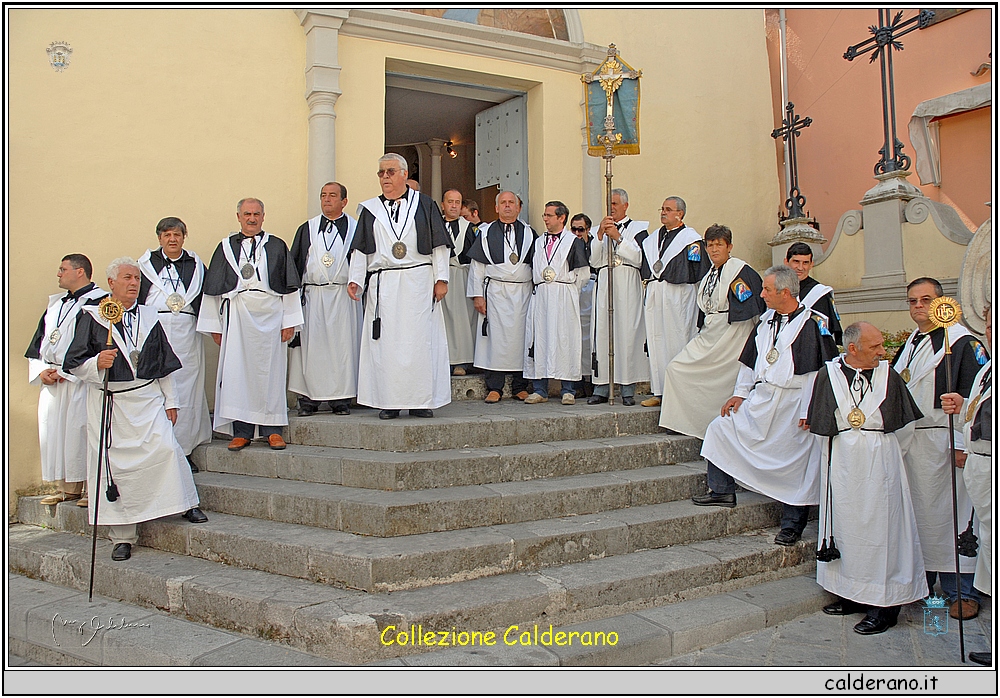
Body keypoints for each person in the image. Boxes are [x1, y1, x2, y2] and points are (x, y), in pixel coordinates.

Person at [63, 257, 207, 562]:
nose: (133, 283)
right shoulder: (92, 317)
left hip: (147, 398)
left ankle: (183, 502)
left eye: (138, 279)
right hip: (112, 403)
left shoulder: (149, 316)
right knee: (115, 468)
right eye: (128, 278)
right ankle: (123, 536)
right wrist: (95, 364)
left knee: (167, 448)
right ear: (111, 283)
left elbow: (164, 363)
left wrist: (171, 401)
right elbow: (74, 362)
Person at [694, 265, 838, 547]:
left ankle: (792, 524)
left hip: (795, 403)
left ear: (785, 292)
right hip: (763, 398)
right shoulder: (766, 321)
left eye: (767, 290)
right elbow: (751, 362)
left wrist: (810, 409)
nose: (762, 295)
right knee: (721, 427)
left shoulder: (813, 323)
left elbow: (819, 372)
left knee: (798, 463)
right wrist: (740, 394)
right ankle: (722, 490)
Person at [807, 321, 925, 635]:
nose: (882, 352)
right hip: (843, 463)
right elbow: (822, 427)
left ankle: (885, 606)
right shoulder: (827, 376)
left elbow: (905, 430)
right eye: (875, 347)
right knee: (847, 528)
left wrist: (882, 455)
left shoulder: (890, 376)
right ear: (853, 348)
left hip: (881, 462)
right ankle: (853, 593)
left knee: (882, 531)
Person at [892, 277, 986, 620]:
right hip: (917, 442)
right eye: (913, 301)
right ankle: (927, 583)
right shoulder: (913, 342)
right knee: (923, 517)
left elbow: (976, 399)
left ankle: (964, 589)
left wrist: (961, 443)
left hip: (947, 440)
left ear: (941, 303)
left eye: (925, 300)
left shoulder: (962, 344)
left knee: (954, 516)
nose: (918, 306)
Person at [347, 153, 452, 419]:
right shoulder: (370, 210)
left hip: (418, 281)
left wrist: (441, 279)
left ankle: (419, 401)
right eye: (381, 173)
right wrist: (355, 279)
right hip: (385, 283)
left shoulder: (425, 204)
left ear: (405, 174)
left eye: (391, 172)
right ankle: (389, 400)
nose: (385, 178)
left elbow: (439, 244)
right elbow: (361, 249)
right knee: (387, 344)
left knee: (419, 342)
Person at [198, 198, 302, 450]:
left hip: (271, 316)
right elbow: (213, 289)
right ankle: (241, 431)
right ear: (238, 217)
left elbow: (288, 287)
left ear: (264, 216)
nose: (252, 218)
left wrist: (289, 321)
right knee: (238, 374)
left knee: (270, 374)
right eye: (247, 214)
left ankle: (272, 430)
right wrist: (215, 326)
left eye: (256, 214)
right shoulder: (225, 247)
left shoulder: (277, 246)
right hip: (238, 315)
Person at [658, 224, 765, 438]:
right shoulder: (709, 275)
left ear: (729, 246)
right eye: (710, 245)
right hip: (710, 332)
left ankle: (712, 422)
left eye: (719, 245)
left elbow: (754, 308)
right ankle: (681, 421)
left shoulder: (740, 271)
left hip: (733, 334)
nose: (714, 249)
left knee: (721, 380)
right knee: (676, 368)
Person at [25, 254, 106, 507]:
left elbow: (99, 343)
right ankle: (67, 488)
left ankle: (89, 489)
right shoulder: (55, 304)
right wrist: (41, 370)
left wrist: (69, 370)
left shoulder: (100, 303)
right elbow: (39, 341)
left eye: (63, 269)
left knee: (80, 431)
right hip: (53, 380)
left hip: (79, 379)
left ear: (80, 271)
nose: (58, 274)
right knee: (56, 432)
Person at [137, 217, 211, 471]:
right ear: (159, 238)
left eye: (177, 234)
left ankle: (184, 449)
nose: (172, 239)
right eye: (167, 234)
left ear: (184, 237)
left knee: (186, 389)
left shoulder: (196, 265)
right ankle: (160, 449)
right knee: (158, 391)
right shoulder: (145, 266)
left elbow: (206, 298)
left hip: (186, 334)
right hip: (154, 332)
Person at [942, 303, 992, 665]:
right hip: (981, 465)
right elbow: (978, 411)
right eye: (989, 323)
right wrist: (962, 404)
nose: (989, 330)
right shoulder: (988, 368)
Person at [288, 182, 362, 417]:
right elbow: (296, 265)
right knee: (312, 347)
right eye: (323, 195)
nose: (327, 199)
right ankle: (309, 398)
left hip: (344, 296)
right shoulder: (307, 229)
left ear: (344, 201)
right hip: (314, 296)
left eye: (332, 195)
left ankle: (341, 398)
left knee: (343, 346)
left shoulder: (356, 228)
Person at [635, 196, 710, 407]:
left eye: (668, 209)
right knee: (656, 341)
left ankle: (678, 391)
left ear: (680, 214)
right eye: (662, 209)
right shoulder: (653, 239)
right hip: (656, 292)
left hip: (679, 295)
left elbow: (699, 272)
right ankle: (659, 391)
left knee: (676, 340)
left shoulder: (690, 240)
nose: (663, 212)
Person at [467, 191, 536, 403]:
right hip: (495, 294)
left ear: (519, 208)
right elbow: (477, 267)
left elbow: (537, 265)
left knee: (522, 339)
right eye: (503, 203)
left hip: (523, 293)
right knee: (494, 341)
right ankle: (494, 387)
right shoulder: (486, 233)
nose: (507, 206)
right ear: (496, 208)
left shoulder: (530, 233)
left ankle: (519, 386)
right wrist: (477, 296)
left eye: (511, 203)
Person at [522, 201, 590, 405]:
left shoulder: (573, 241)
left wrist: (566, 291)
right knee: (539, 338)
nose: (545, 218)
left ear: (561, 218)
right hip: (542, 294)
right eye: (544, 215)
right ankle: (539, 389)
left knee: (565, 338)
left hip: (563, 294)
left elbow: (583, 274)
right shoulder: (538, 241)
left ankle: (568, 389)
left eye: (549, 215)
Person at [587, 189, 649, 406]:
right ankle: (602, 386)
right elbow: (593, 261)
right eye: (608, 203)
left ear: (625, 205)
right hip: (605, 281)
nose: (611, 207)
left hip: (627, 282)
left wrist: (619, 238)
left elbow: (641, 258)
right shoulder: (597, 229)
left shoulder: (640, 229)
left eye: (615, 203)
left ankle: (627, 387)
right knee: (603, 332)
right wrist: (601, 236)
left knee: (627, 333)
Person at [439, 188, 478, 376]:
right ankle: (442, 359)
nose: (453, 206)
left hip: (461, 276)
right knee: (442, 320)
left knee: (462, 319)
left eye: (457, 202)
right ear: (442, 204)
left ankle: (461, 361)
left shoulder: (468, 228)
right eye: (450, 202)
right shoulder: (435, 226)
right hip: (440, 277)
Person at [785, 242, 843, 345]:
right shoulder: (777, 289)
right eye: (796, 262)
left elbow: (829, 330)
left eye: (805, 263)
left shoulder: (820, 294)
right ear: (786, 262)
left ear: (811, 264)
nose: (800, 267)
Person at [571, 213, 596, 399]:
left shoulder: (596, 244)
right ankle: (577, 381)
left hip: (593, 293)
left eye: (581, 229)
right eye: (574, 229)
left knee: (593, 339)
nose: (577, 233)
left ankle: (593, 381)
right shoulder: (568, 244)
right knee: (575, 336)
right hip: (574, 292)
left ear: (588, 229)